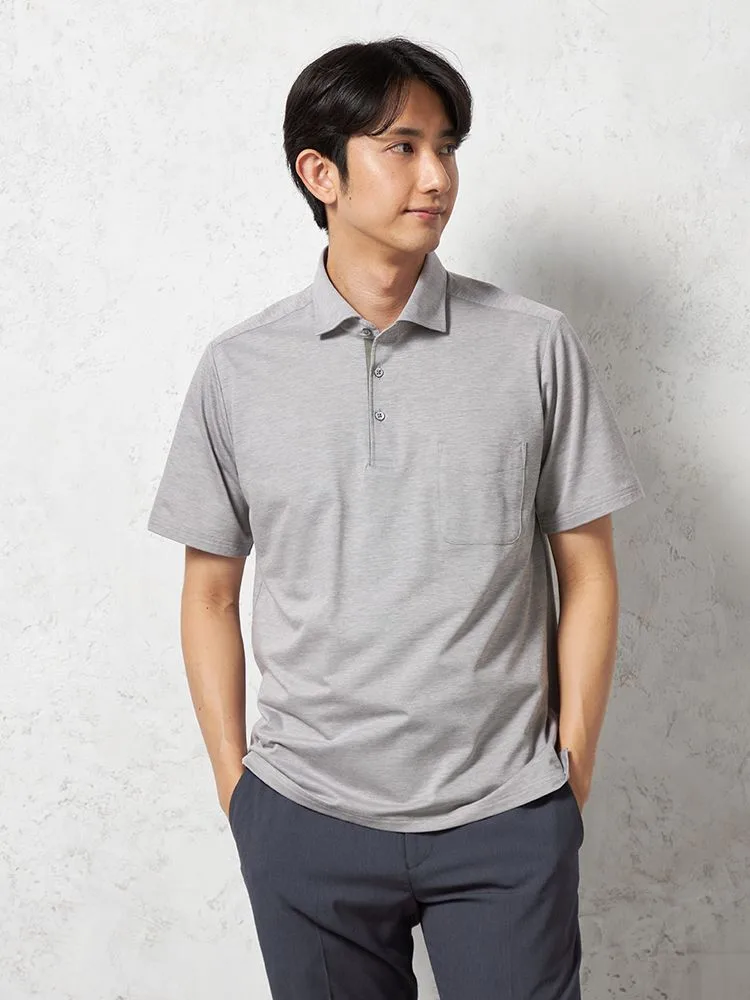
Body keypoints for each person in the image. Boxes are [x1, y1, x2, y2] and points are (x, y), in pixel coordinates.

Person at [147, 35, 645, 1000]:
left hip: (505, 814)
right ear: (320, 173)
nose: (437, 176)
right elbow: (209, 593)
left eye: (447, 147)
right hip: (304, 816)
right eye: (403, 147)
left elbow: (587, 571)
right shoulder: (239, 369)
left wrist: (568, 775)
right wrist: (239, 790)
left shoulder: (535, 346)